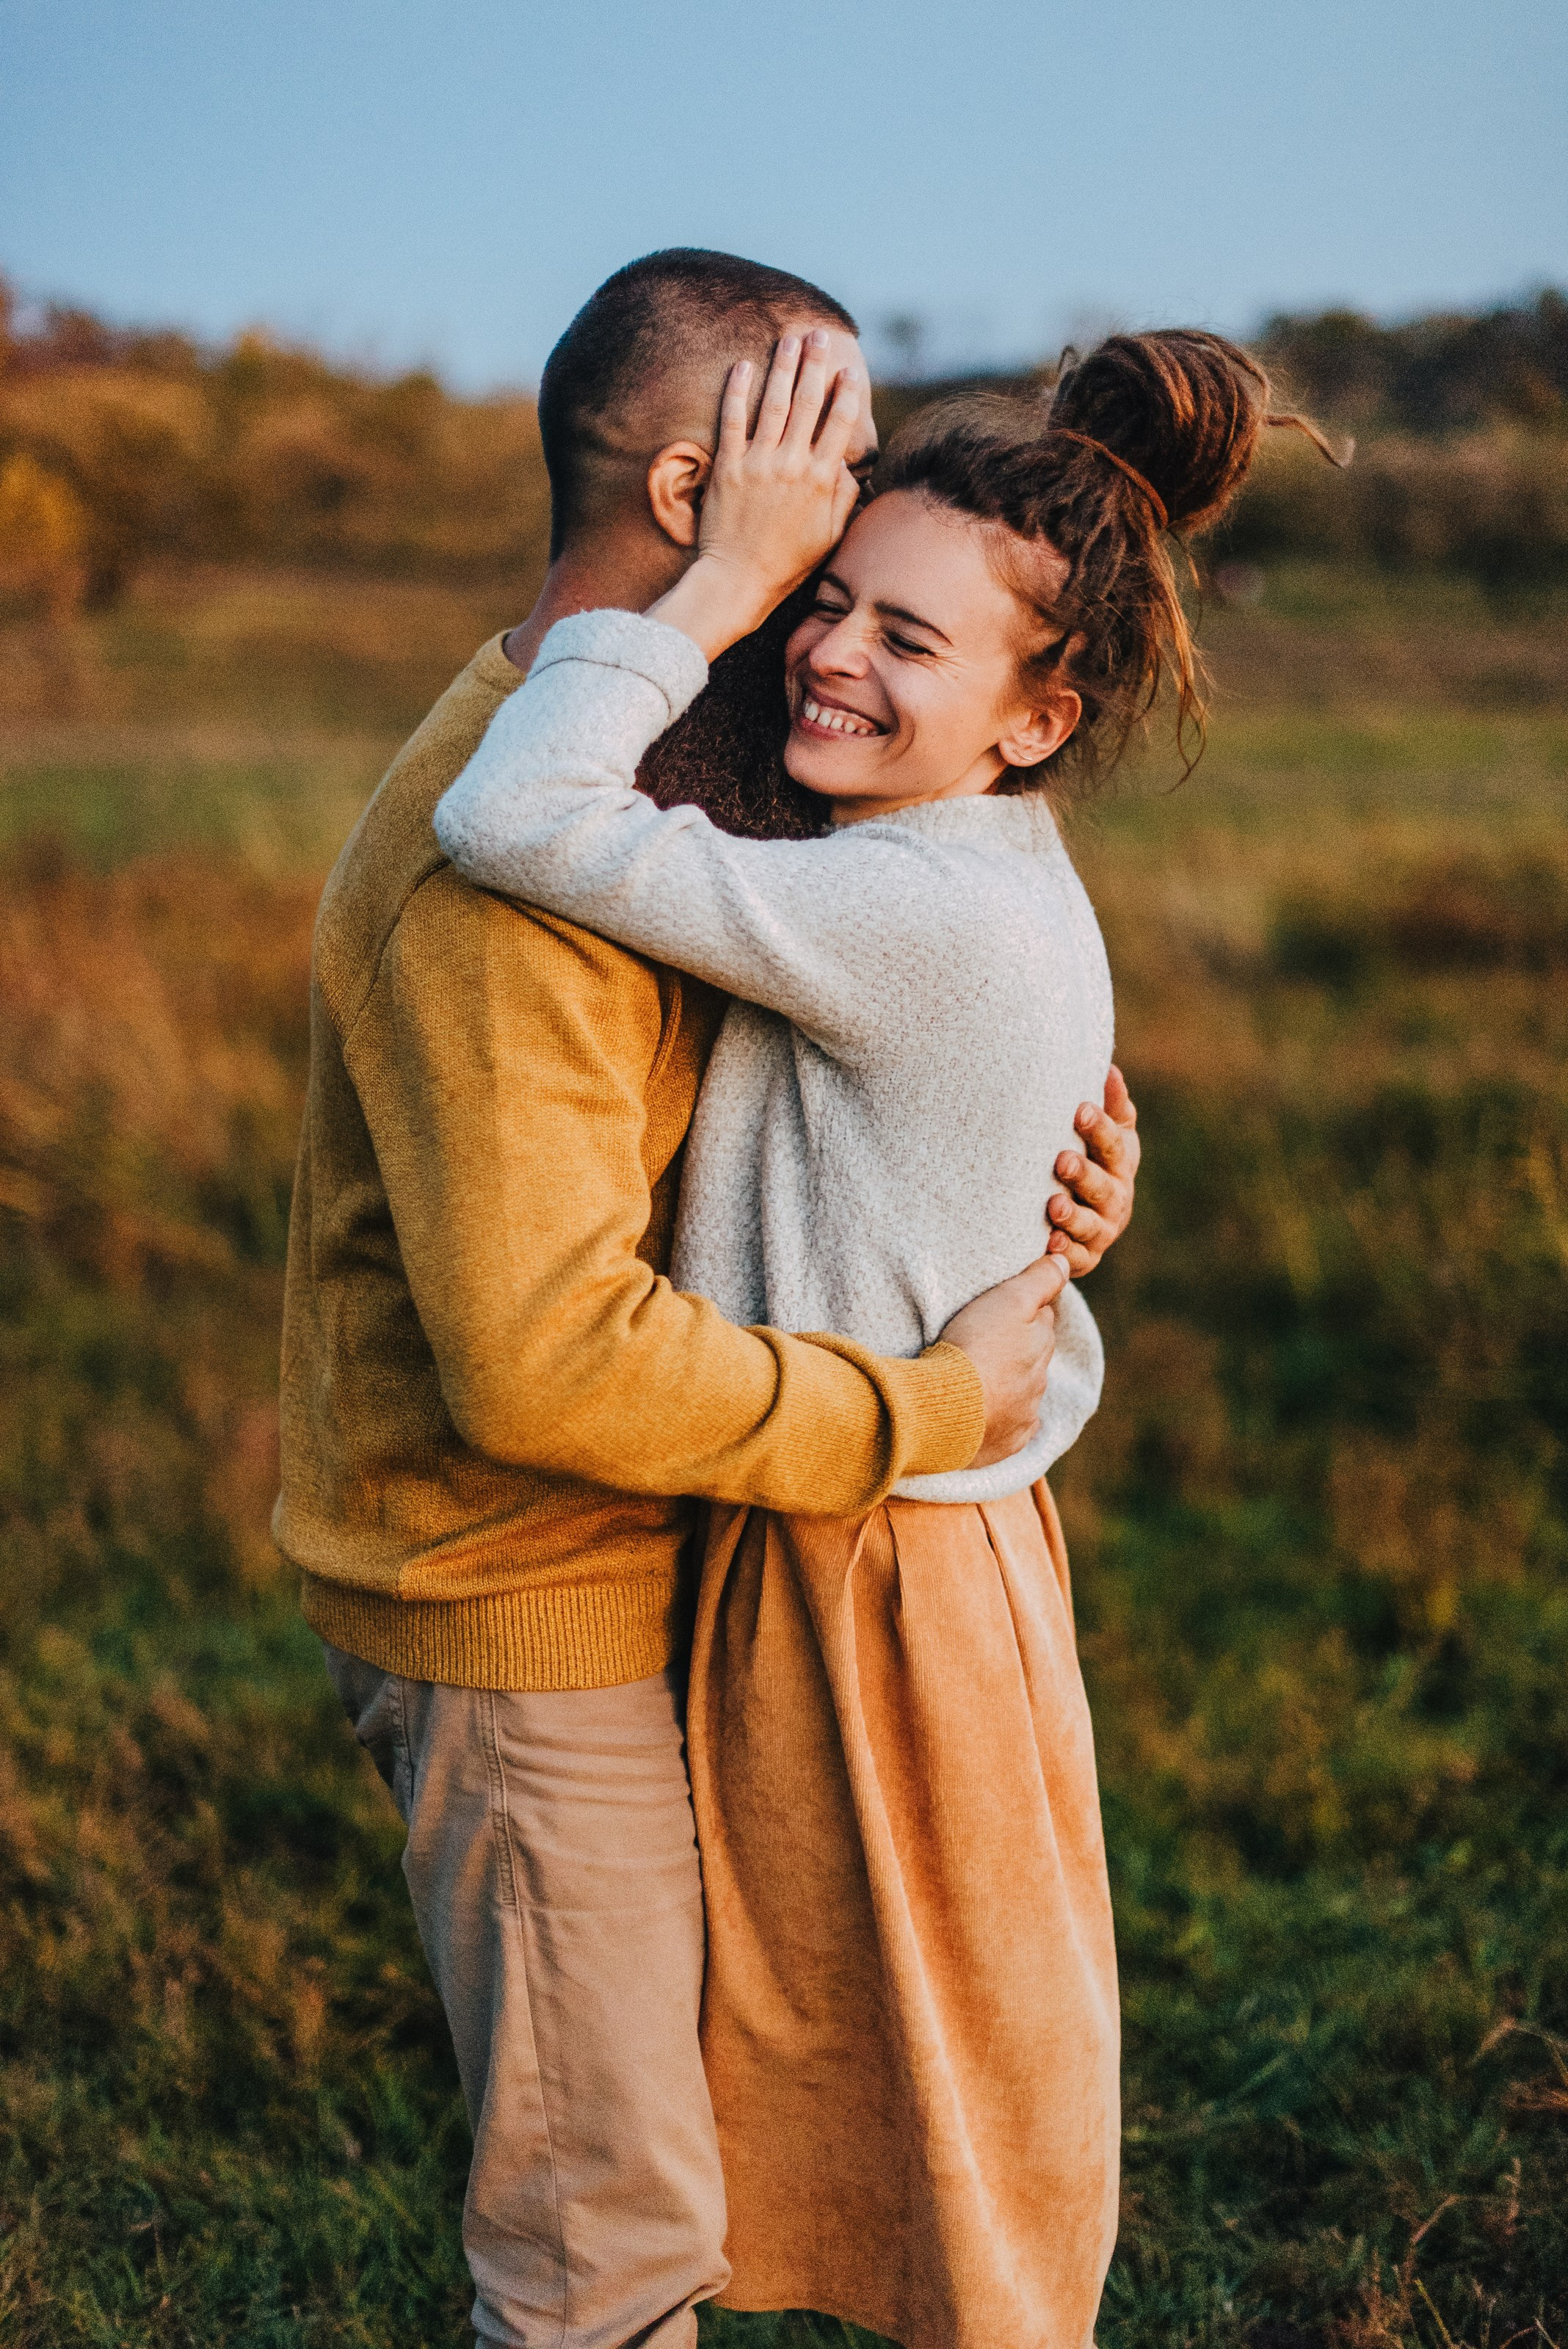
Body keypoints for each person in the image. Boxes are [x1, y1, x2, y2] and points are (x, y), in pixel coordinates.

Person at [435, 322, 1334, 2348]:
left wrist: (710, 592)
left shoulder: (916, 913)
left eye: (908, 643)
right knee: (867, 2062)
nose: (830, 652)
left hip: (883, 1560)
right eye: (826, 600)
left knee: (942, 2072)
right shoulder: (936, 860)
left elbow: (513, 819)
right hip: (867, 1511)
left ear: (1037, 718)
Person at [273, 250, 1141, 2349]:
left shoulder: (660, 749)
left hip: (669, 1551)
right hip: (527, 1590)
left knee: (727, 2158)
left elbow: (869, 1007)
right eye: (820, 470)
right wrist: (930, 1411)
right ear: (697, 494)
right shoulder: (512, 879)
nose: (850, 514)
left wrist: (1020, 1170)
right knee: (610, 2247)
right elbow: (551, 1362)